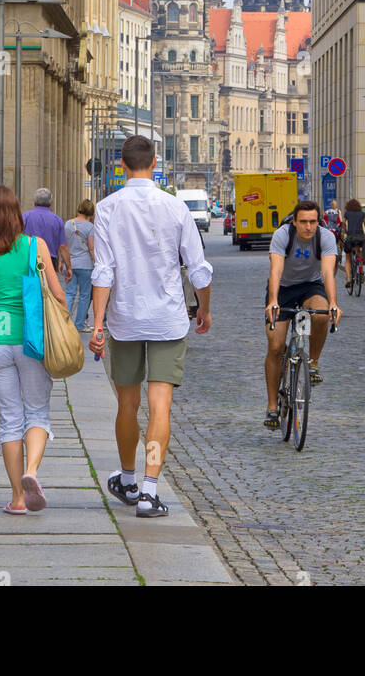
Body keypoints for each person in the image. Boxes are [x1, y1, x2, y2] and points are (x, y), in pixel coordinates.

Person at [89, 135, 212, 519]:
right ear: (154, 162)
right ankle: (149, 490)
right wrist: (203, 309)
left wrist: (96, 324)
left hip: (124, 318)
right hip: (168, 319)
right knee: (161, 406)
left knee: (127, 404)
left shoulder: (106, 208)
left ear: (121, 165)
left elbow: (103, 270)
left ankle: (127, 477)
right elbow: (199, 268)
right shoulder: (176, 208)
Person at [0, 186, 66, 515]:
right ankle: (32, 472)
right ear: (16, 215)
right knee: (37, 412)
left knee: (9, 421)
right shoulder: (34, 246)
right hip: (32, 341)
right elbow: (57, 294)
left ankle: (17, 499)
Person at [264, 199, 342, 425]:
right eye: (304, 222)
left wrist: (334, 303)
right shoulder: (282, 235)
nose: (308, 227)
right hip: (283, 287)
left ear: (319, 221)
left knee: (321, 313)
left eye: (313, 222)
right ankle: (271, 407)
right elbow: (276, 271)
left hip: (310, 285)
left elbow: (327, 272)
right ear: (295, 222)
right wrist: (273, 301)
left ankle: (313, 363)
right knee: (276, 346)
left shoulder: (325, 237)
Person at [22, 188, 72, 282]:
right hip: (49, 261)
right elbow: (63, 247)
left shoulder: (25, 217)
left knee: (29, 290)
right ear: (50, 202)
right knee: (48, 291)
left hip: (28, 260)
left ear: (34, 201)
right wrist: (69, 267)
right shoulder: (57, 220)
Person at [64, 199, 95, 331]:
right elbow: (91, 247)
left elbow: (63, 245)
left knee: (69, 293)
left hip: (70, 263)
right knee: (84, 295)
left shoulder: (68, 224)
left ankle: (65, 322)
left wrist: (61, 261)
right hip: (85, 265)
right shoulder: (90, 227)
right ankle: (80, 324)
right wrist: (96, 261)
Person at [341, 197, 365, 289]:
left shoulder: (347, 213)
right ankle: (361, 269)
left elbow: (343, 223)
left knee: (348, 258)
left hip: (350, 237)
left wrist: (345, 230)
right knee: (359, 252)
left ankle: (349, 279)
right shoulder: (362, 214)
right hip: (360, 237)